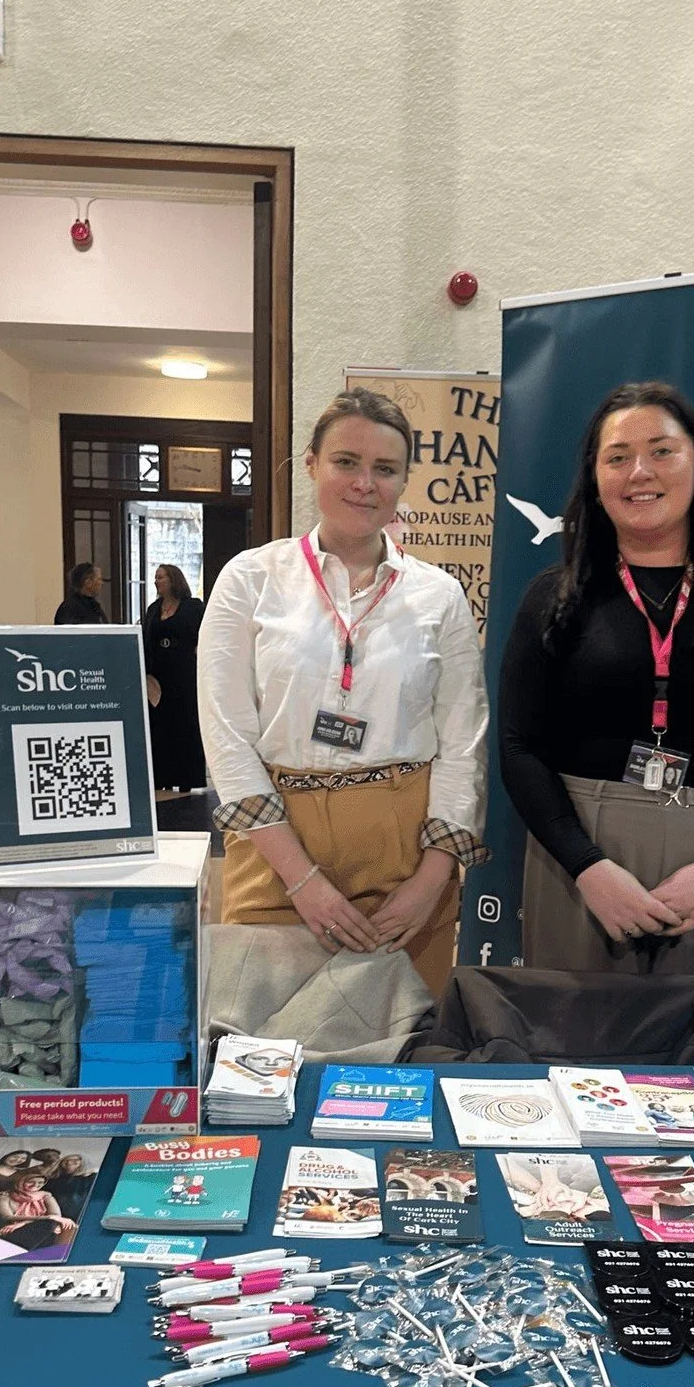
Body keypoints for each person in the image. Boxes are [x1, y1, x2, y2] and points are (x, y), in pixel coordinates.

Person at [497, 380, 694, 977]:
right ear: (594, 479)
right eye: (617, 457)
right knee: (574, 1045)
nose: (639, 471)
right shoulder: (554, 598)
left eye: (662, 450)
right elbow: (519, 746)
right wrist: (588, 867)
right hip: (580, 863)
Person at [197, 388, 488, 997]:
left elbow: (465, 742)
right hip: (276, 846)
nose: (365, 483)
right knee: (265, 1052)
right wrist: (303, 882)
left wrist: (434, 878)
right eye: (346, 462)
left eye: (385, 469)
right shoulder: (250, 580)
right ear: (310, 463)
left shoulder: (438, 597)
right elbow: (226, 739)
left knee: (398, 1051)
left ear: (404, 481)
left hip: (403, 852)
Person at [142, 564, 207, 795]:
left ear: (173, 580)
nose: (156, 581)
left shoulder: (193, 607)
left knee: (185, 724)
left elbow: (205, 635)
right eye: (155, 578)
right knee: (160, 726)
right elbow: (147, 640)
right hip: (159, 674)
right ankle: (163, 776)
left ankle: (186, 777)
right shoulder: (153, 609)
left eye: (161, 577)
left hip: (184, 673)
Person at [0, 1171, 77, 1253]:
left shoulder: (46, 1195)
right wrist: (44, 1219)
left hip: (34, 1227)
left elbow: (55, 1215)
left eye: (40, 1183)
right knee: (49, 1223)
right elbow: (6, 1216)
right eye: (31, 1181)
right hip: (12, 1230)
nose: (35, 1185)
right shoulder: (3, 1196)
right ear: (20, 1181)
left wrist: (24, 1223)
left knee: (71, 1227)